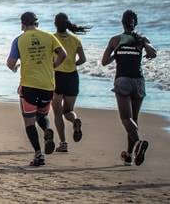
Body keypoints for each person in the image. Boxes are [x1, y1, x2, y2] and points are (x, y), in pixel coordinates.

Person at [7, 11, 67, 167]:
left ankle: (39, 154)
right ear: (37, 24)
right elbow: (63, 54)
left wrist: (17, 66)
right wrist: (53, 66)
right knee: (42, 116)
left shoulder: (19, 40)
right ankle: (47, 132)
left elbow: (10, 63)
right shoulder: (49, 37)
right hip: (47, 86)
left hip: (29, 86)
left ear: (22, 25)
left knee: (29, 121)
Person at [100, 9, 158, 167]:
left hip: (123, 81)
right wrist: (144, 45)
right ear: (135, 23)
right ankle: (129, 155)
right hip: (138, 82)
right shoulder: (142, 39)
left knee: (126, 119)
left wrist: (117, 53)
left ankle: (138, 143)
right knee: (134, 120)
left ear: (122, 23)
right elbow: (153, 54)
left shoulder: (115, 39)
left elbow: (104, 62)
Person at [52, 13, 90, 152]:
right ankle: (75, 121)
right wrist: (73, 64)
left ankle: (63, 143)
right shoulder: (75, 39)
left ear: (55, 24)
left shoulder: (53, 38)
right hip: (72, 77)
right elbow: (83, 59)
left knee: (57, 113)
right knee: (68, 111)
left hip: (57, 76)